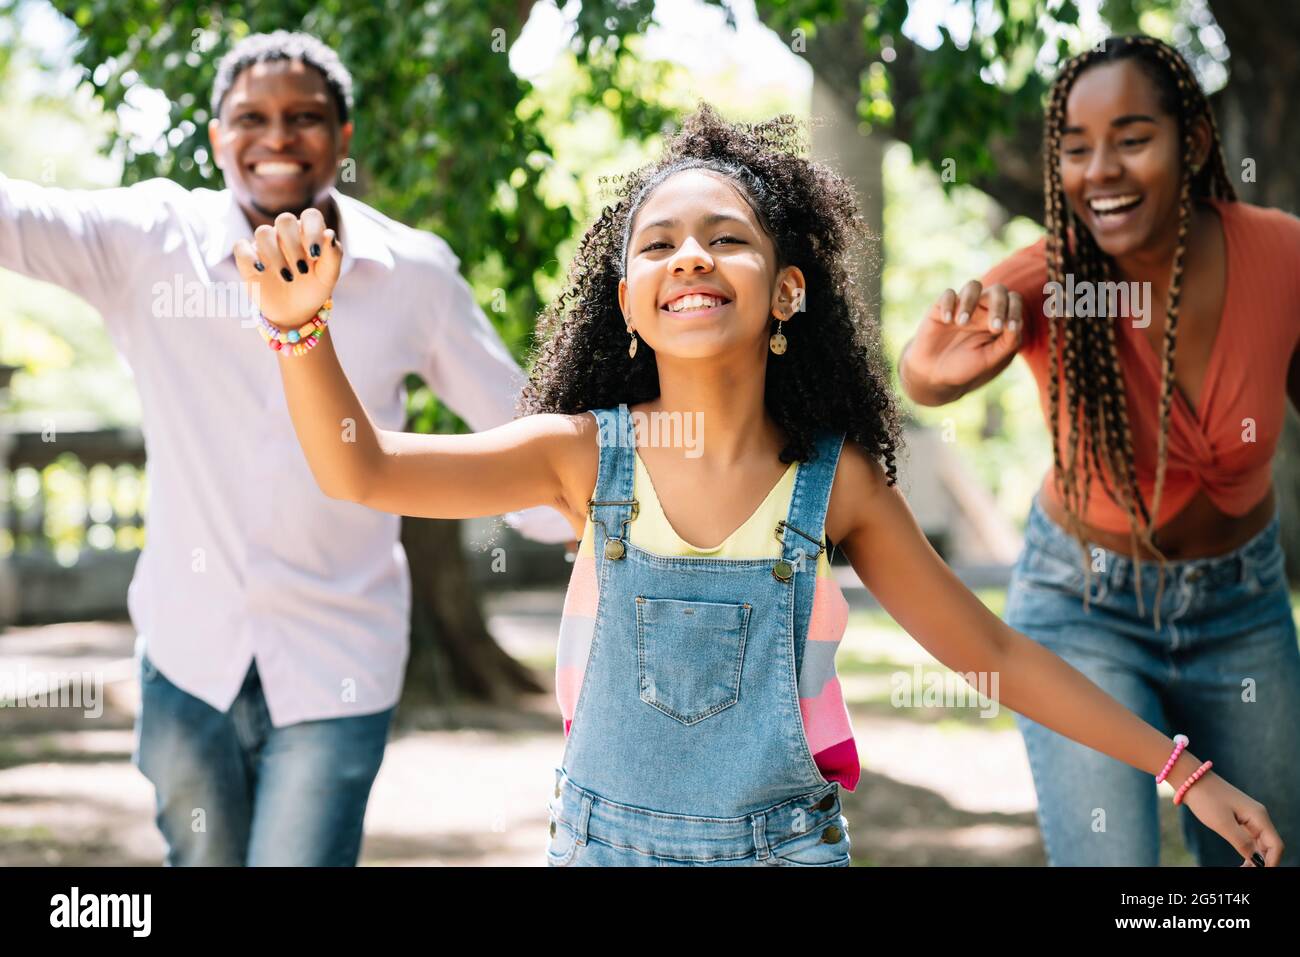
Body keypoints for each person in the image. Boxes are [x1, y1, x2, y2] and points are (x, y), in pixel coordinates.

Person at [235, 104, 1282, 867]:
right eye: (659, 244)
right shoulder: (574, 453)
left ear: (787, 289)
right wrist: (298, 327)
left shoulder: (839, 487)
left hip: (787, 851)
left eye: (725, 238)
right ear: (628, 301)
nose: (690, 256)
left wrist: (1181, 771)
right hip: (601, 848)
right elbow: (359, 467)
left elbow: (997, 654)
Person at [0, 30, 571, 866]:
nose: (277, 137)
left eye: (305, 117)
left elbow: (521, 426)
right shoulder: (145, 239)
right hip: (188, 652)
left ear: (342, 137)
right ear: (216, 138)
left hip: (340, 654)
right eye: (251, 117)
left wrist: (588, 516)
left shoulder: (411, 272)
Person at [898, 35, 1300, 865]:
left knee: (1268, 858)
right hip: (1084, 607)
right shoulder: (1052, 275)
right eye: (1075, 149)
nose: (1100, 169)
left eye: (1131, 137)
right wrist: (935, 371)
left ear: (1190, 142)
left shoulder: (1281, 255)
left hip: (1242, 605)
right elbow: (924, 373)